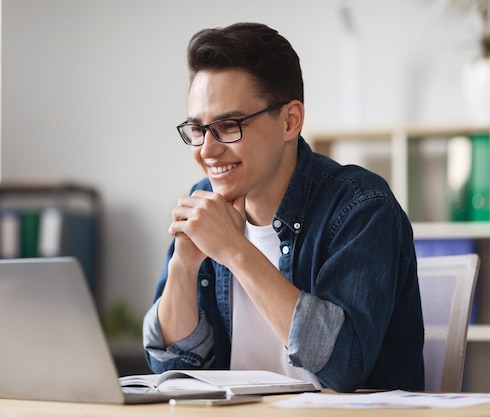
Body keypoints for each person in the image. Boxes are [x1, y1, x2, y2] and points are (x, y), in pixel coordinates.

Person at [142, 22, 424, 393]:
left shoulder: (361, 206)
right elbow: (175, 367)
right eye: (198, 129)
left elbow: (344, 365)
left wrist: (235, 250)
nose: (207, 150)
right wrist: (183, 266)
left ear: (290, 121)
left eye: (228, 125)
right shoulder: (205, 203)